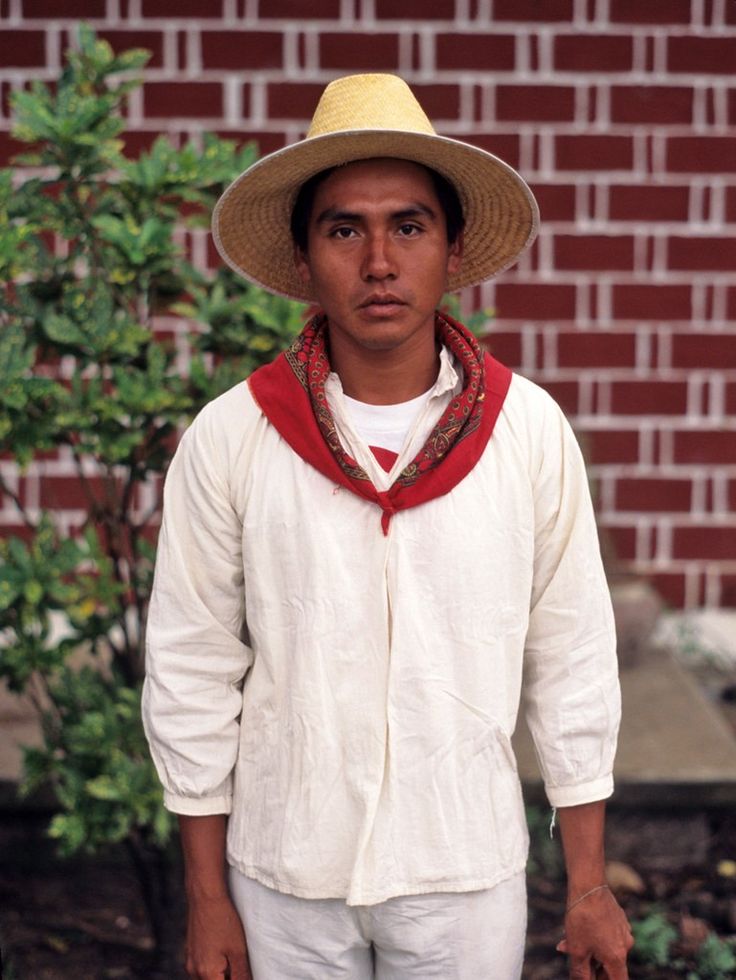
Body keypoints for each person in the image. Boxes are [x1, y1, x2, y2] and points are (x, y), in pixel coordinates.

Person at [143, 73, 633, 979]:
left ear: (451, 251)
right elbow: (192, 665)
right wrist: (208, 900)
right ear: (302, 259)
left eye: (408, 226)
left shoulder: (525, 431)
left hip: (463, 872)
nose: (378, 261)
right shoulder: (235, 436)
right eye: (343, 229)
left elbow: (571, 657)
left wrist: (590, 884)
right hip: (285, 873)